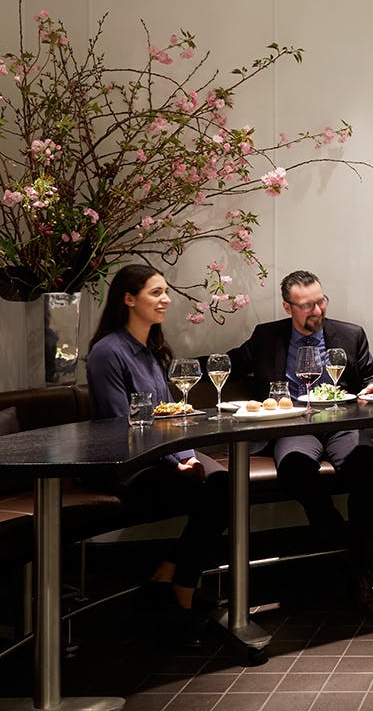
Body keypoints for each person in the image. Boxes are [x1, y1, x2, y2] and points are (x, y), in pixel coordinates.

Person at [86, 264, 230, 644]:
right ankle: (180, 591)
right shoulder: (107, 353)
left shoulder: (152, 351)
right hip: (127, 465)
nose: (166, 299)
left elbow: (170, 413)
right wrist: (178, 461)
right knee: (216, 491)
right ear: (128, 299)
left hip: (163, 455)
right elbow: (124, 424)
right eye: (156, 292)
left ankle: (171, 577)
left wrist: (187, 455)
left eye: (165, 292)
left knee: (224, 484)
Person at [228, 269, 373, 612]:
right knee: (295, 468)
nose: (316, 310)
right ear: (288, 307)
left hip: (341, 420)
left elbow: (371, 375)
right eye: (306, 306)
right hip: (293, 424)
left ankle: (357, 569)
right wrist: (171, 368)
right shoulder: (267, 337)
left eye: (320, 301)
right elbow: (230, 363)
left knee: (365, 464)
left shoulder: (350, 334)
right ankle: (353, 552)